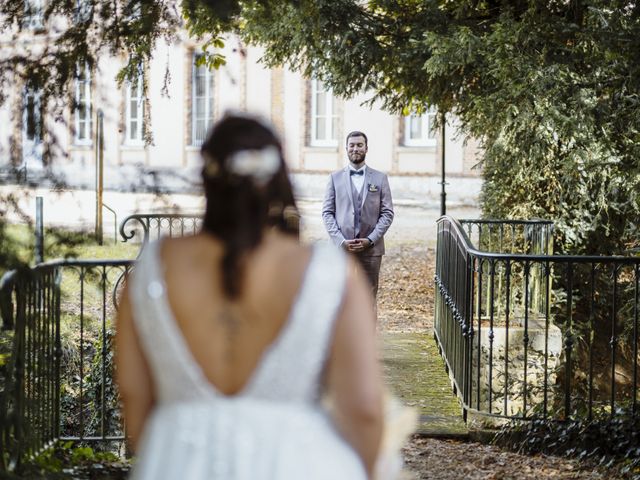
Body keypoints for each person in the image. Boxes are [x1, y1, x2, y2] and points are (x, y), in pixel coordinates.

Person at [115, 114, 383, 480]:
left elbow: (133, 397)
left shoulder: (153, 266)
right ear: (276, 180)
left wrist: (173, 451)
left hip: (177, 462)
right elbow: (364, 408)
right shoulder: (326, 270)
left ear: (207, 177)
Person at [322, 131, 394, 299]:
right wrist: (340, 240)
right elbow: (327, 213)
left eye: (359, 145)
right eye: (352, 145)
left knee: (368, 298)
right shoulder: (334, 178)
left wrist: (370, 240)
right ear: (346, 148)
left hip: (371, 251)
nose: (355, 149)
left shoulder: (380, 178)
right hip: (340, 250)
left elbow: (387, 213)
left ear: (366, 148)